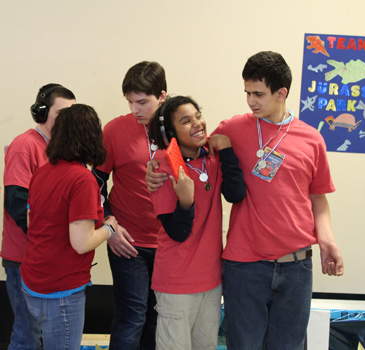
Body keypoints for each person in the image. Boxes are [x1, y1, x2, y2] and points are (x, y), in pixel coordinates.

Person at [145, 51, 344, 350]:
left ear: (281, 93)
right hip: (244, 267)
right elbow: (186, 146)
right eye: (247, 93)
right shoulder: (231, 129)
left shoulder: (312, 139)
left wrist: (328, 241)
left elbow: (318, 199)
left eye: (258, 94)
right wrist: (154, 166)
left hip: (296, 266)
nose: (251, 101)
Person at [148, 96, 245, 350]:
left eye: (198, 115)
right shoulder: (162, 167)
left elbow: (235, 194)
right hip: (176, 283)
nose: (197, 123)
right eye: (185, 121)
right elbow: (177, 232)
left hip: (212, 281)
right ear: (170, 133)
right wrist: (186, 201)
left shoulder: (211, 157)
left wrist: (226, 151)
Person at [20, 104, 118, 350]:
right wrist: (110, 228)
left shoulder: (43, 172)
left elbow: (32, 222)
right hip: (60, 290)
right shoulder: (82, 179)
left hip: (33, 281)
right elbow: (81, 243)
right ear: (91, 137)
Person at [92, 61, 167, 350]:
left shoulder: (178, 128)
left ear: (162, 96)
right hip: (128, 241)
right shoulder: (114, 130)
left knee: (158, 318)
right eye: (130, 102)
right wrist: (108, 224)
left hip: (168, 243)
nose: (135, 109)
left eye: (142, 102)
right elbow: (96, 181)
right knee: (131, 316)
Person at [1, 84, 76, 350]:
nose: (69, 121)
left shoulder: (57, 151)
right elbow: (16, 202)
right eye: (62, 113)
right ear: (41, 113)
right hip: (24, 257)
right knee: (26, 334)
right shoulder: (25, 145)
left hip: (46, 258)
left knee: (40, 334)